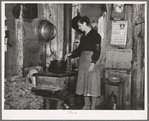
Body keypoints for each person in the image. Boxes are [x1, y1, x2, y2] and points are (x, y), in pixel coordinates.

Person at [65, 16, 101, 110]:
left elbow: (97, 51)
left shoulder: (95, 35)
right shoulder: (83, 37)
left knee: (92, 84)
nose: (79, 28)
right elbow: (80, 50)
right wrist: (70, 54)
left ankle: (92, 107)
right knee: (85, 83)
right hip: (83, 62)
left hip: (92, 61)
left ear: (85, 24)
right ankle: (86, 105)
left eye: (80, 26)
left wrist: (93, 63)